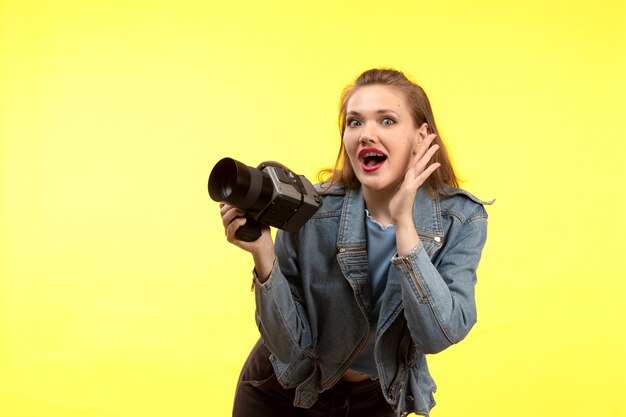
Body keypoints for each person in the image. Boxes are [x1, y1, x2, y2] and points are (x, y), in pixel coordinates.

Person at [218, 68, 491, 417]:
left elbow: (439, 334)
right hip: (284, 389)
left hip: (373, 401)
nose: (366, 135)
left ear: (422, 136)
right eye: (355, 122)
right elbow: (289, 346)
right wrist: (263, 253)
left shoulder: (462, 219)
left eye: (387, 121)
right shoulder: (310, 210)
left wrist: (404, 223)